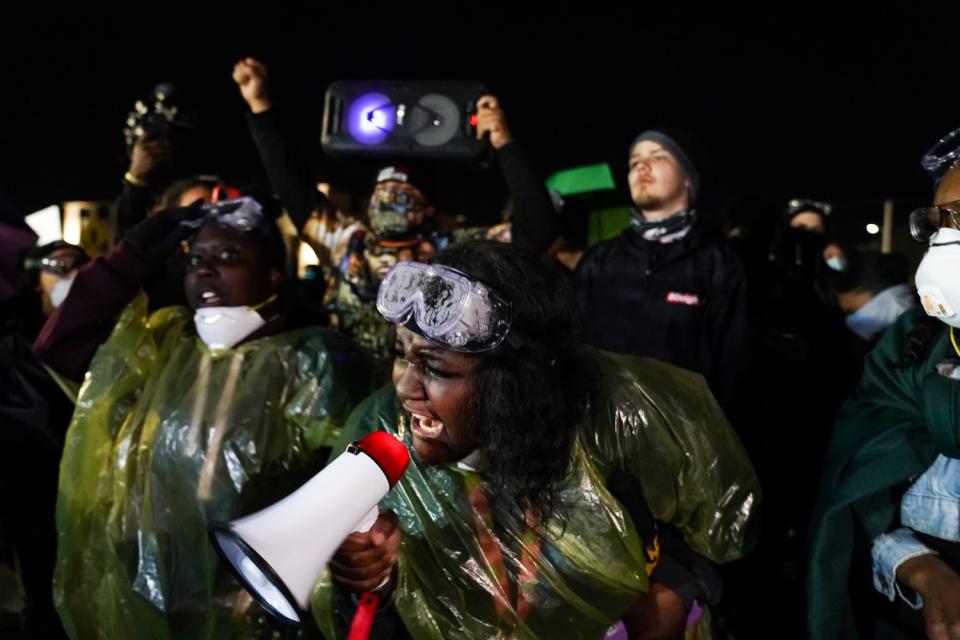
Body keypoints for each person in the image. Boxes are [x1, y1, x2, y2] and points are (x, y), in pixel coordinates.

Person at [311, 240, 760, 639]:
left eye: (438, 368)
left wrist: (674, 589)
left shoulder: (617, 421)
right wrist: (375, 586)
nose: (406, 389)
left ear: (516, 383)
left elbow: (711, 534)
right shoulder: (380, 438)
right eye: (399, 355)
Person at [35, 195, 376, 639]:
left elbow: (350, 495)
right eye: (195, 257)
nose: (205, 269)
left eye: (229, 255)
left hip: (258, 615)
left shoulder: (315, 362)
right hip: (146, 603)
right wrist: (130, 257)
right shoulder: (162, 345)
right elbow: (59, 348)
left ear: (274, 272)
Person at [809, 160, 960, 640]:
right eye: (942, 221)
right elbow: (863, 484)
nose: (945, 243)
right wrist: (919, 566)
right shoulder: (914, 343)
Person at [576, 129, 748, 407]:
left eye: (658, 157)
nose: (641, 166)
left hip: (681, 436)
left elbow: (734, 364)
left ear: (687, 178)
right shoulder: (599, 260)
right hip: (602, 430)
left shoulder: (718, 263)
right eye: (634, 162)